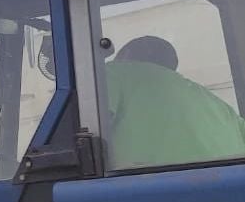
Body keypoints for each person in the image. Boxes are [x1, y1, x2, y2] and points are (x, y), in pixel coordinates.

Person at [104, 35, 245, 169]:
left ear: (126, 55)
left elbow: (91, 125)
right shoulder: (222, 107)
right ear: (171, 68)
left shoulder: (111, 74)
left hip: (144, 188)